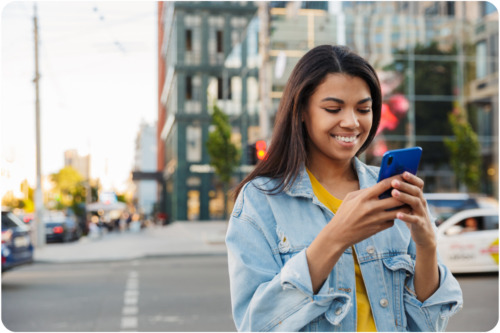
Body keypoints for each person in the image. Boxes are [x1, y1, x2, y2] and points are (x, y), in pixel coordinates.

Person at [226, 45, 463, 333]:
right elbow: (255, 324)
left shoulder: (389, 188)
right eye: (333, 109)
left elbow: (428, 325)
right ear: (301, 111)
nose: (351, 122)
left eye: (363, 109)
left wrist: (427, 246)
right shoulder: (260, 200)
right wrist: (335, 238)